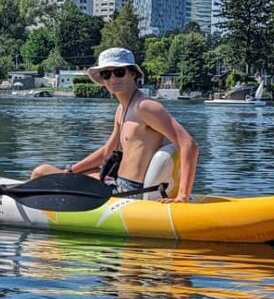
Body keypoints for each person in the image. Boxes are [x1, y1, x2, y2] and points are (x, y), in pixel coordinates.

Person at [31, 47, 199, 203]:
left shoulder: (145, 107)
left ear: (133, 74)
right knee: (58, 174)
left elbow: (189, 145)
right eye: (106, 74)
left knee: (41, 172)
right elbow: (107, 152)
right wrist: (70, 171)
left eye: (119, 72)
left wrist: (182, 196)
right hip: (117, 183)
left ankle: (37, 205)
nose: (112, 79)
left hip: (128, 192)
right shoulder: (122, 110)